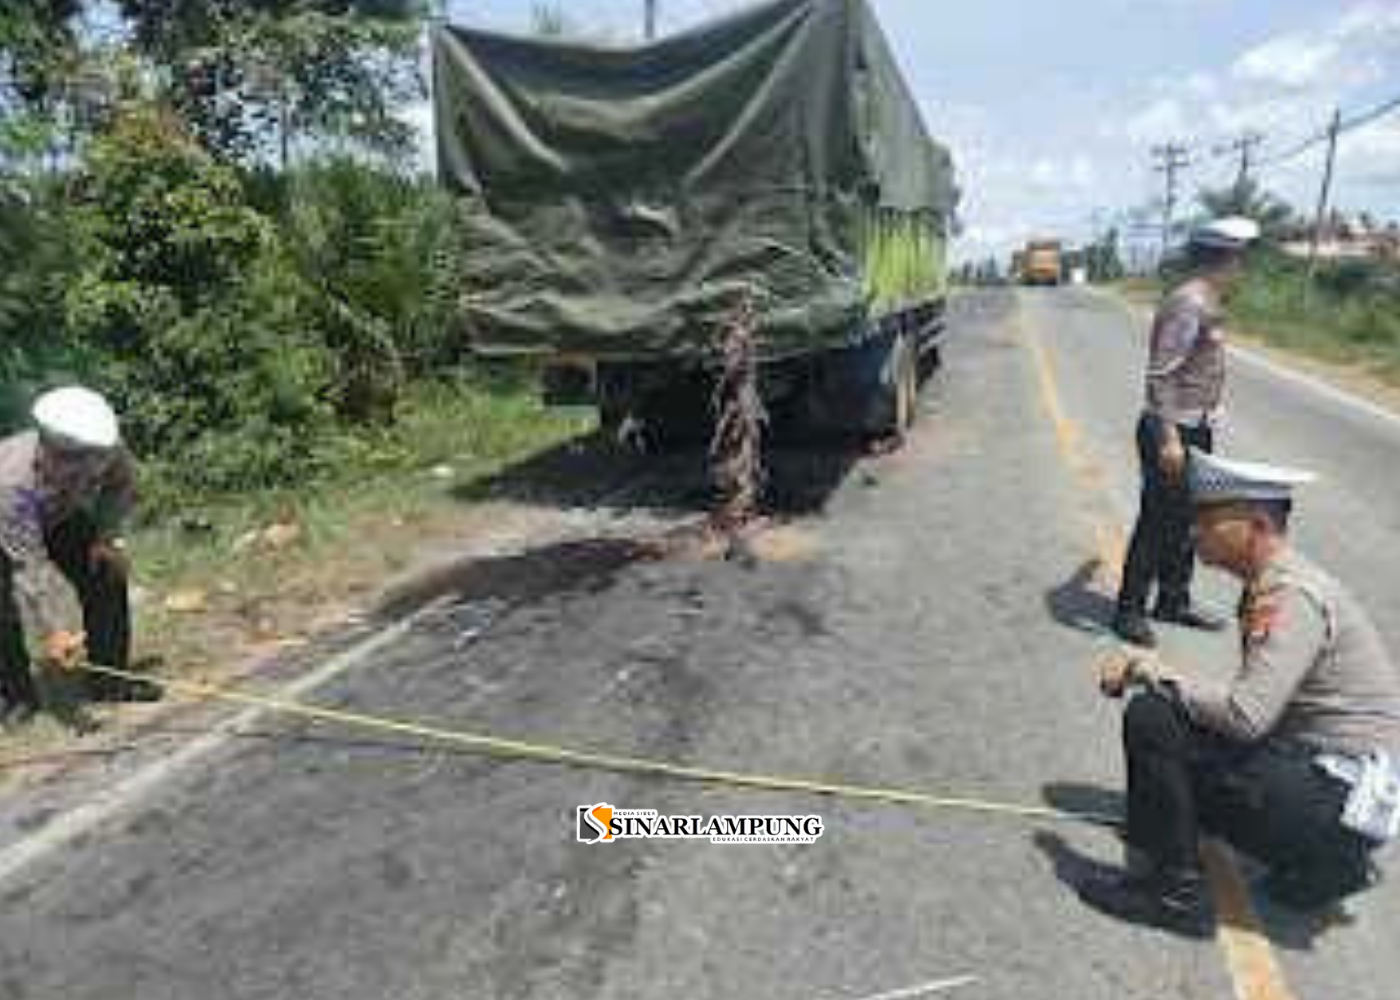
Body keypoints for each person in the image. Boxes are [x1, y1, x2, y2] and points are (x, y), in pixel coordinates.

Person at [1083, 450, 1400, 934]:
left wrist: (1151, 670)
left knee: (1155, 717)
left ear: (1255, 525)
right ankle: (1323, 868)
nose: (1195, 531)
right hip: (1345, 795)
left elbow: (1246, 716)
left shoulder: (1289, 596)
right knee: (1185, 756)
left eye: (1208, 519)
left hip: (1335, 797)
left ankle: (1172, 892)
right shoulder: (1280, 582)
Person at [1113, 216, 1261, 648]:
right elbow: (1161, 375)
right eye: (1239, 260)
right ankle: (1129, 609)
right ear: (1224, 259)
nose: (1242, 270)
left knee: (1188, 520)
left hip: (1195, 427)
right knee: (1158, 521)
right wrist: (1170, 438)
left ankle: (1173, 600)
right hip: (1171, 431)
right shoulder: (1188, 303)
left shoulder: (1208, 300)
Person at [0, 386, 160, 725]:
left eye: (94, 458)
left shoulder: (103, 447)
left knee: (105, 572)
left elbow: (122, 486)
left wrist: (105, 536)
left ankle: (109, 681)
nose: (89, 468)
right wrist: (55, 630)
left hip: (58, 516)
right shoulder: (12, 484)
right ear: (49, 450)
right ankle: (16, 697)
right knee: (3, 613)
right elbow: (31, 569)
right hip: (9, 525)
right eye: (76, 462)